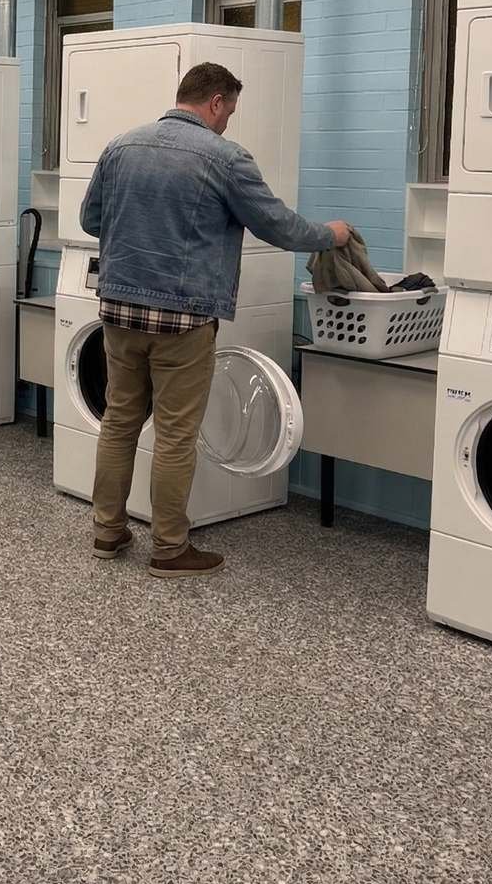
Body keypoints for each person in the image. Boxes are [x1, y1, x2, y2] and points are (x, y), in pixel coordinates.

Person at [80, 63, 352, 579]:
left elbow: (91, 220)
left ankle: (107, 531)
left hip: (118, 310)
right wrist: (330, 235)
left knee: (119, 421)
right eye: (229, 111)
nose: (228, 121)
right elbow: (277, 224)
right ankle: (168, 548)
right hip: (183, 318)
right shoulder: (225, 157)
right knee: (176, 434)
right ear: (216, 103)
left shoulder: (120, 146)